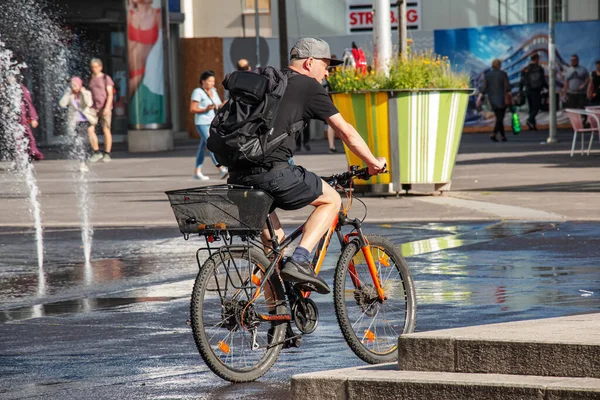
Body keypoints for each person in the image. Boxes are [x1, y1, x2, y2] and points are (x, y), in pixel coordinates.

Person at [227, 38, 386, 294]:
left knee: (273, 249)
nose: (326, 72)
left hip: (238, 176)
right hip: (273, 174)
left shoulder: (266, 82)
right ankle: (301, 259)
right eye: (325, 65)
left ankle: (278, 323)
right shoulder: (309, 87)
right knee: (331, 200)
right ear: (309, 62)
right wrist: (373, 162)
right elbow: (345, 131)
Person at [190, 70, 228, 180]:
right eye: (210, 81)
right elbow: (193, 109)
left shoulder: (213, 91)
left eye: (213, 81)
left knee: (202, 148)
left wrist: (222, 105)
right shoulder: (198, 92)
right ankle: (220, 168)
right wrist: (205, 109)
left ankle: (197, 171)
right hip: (202, 122)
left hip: (212, 122)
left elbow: (217, 105)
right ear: (203, 81)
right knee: (211, 144)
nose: (212, 83)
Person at [59, 77, 98, 172]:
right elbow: (62, 104)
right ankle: (82, 161)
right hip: (74, 121)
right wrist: (68, 93)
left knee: (82, 141)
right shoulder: (71, 95)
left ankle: (83, 163)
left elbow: (89, 103)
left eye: (75, 85)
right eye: (72, 85)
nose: (74, 87)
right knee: (78, 142)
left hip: (84, 120)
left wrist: (83, 92)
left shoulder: (86, 93)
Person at [87, 58, 115, 163]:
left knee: (106, 129)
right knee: (90, 129)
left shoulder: (105, 78)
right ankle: (96, 152)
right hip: (94, 107)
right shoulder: (90, 79)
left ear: (100, 67)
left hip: (104, 106)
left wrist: (107, 107)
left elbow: (110, 94)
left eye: (96, 67)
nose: (94, 69)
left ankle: (107, 153)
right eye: (92, 67)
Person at [477, 59, 511, 142]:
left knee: (499, 117)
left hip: (492, 99)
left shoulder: (488, 75)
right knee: (500, 118)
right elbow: (507, 88)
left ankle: (503, 136)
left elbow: (484, 88)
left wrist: (479, 98)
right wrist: (510, 96)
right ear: (499, 65)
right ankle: (494, 133)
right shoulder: (503, 74)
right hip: (502, 99)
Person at [519, 53, 547, 131]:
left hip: (528, 89)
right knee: (537, 107)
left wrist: (520, 90)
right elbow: (542, 80)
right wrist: (548, 87)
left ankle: (532, 125)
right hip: (537, 90)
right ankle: (530, 119)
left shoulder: (525, 69)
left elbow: (522, 80)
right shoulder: (539, 68)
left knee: (531, 108)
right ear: (537, 59)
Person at [18, 77, 44, 160]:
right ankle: (20, 158)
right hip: (11, 119)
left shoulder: (22, 89)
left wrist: (33, 118)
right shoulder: (5, 88)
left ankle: (31, 154)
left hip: (22, 119)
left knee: (27, 137)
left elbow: (29, 104)